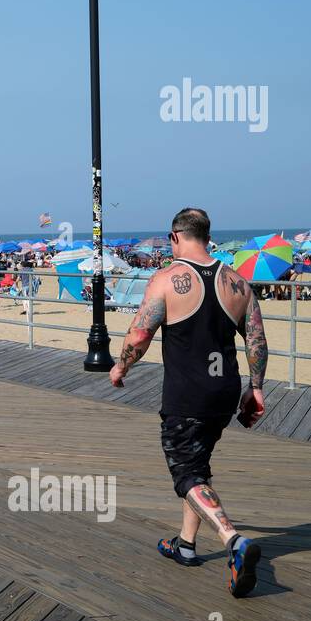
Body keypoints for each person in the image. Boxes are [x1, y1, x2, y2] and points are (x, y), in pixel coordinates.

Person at [108, 207, 268, 599]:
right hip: (225, 391)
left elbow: (140, 334)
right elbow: (257, 340)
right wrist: (256, 388)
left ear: (174, 237)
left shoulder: (166, 280)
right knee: (197, 464)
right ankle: (185, 544)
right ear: (207, 235)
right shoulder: (238, 282)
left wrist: (121, 366)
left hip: (187, 394)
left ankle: (233, 540)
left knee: (187, 474)